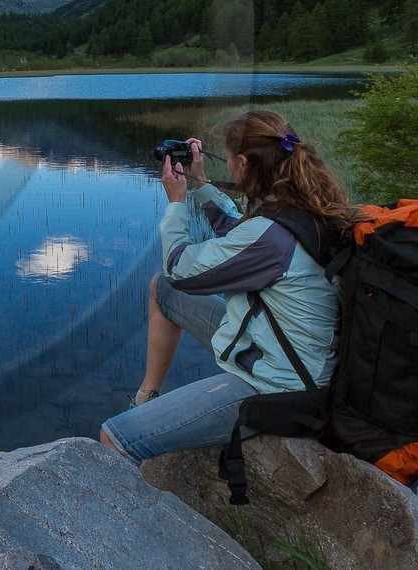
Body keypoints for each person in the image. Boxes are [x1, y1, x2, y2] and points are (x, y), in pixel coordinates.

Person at [98, 110, 361, 462]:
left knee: (115, 437)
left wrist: (176, 204)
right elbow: (242, 233)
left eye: (230, 161)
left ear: (242, 163)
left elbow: (180, 269)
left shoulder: (272, 234)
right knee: (163, 290)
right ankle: (148, 395)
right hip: (285, 354)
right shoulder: (312, 208)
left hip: (280, 389)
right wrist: (201, 184)